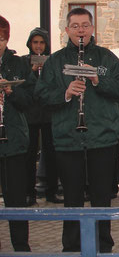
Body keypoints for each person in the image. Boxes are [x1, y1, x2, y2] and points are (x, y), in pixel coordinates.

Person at [35, 8, 119, 253]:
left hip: (102, 138)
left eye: (85, 25)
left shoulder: (106, 58)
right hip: (68, 139)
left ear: (92, 28)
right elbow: (41, 95)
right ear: (66, 30)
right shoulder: (55, 61)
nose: (80, 30)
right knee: (72, 198)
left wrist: (98, 81)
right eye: (75, 26)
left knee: (101, 197)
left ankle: (103, 246)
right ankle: (73, 247)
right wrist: (65, 93)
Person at [0, 15, 34, 252]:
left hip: (14, 140)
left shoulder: (18, 63)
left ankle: (21, 247)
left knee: (16, 199)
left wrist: (11, 91)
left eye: (0, 39)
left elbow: (30, 100)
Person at [22, 27, 63, 206]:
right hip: (30, 114)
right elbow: (22, 86)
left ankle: (51, 191)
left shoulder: (52, 61)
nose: (38, 46)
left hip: (48, 113)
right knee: (29, 154)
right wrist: (32, 71)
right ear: (30, 44)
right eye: (35, 42)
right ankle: (28, 193)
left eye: (42, 43)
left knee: (52, 152)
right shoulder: (23, 62)